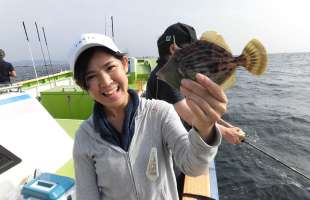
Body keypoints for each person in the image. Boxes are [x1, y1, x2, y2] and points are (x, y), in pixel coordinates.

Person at [70, 33, 226, 200]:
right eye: (91, 76)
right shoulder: (84, 138)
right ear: (84, 85)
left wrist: (205, 128)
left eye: (110, 67)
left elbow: (193, 166)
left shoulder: (160, 113)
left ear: (124, 64)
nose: (106, 81)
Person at [145, 23, 246, 145]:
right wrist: (226, 132)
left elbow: (199, 110)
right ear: (173, 49)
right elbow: (191, 116)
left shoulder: (176, 73)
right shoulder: (167, 78)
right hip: (167, 148)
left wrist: (227, 125)